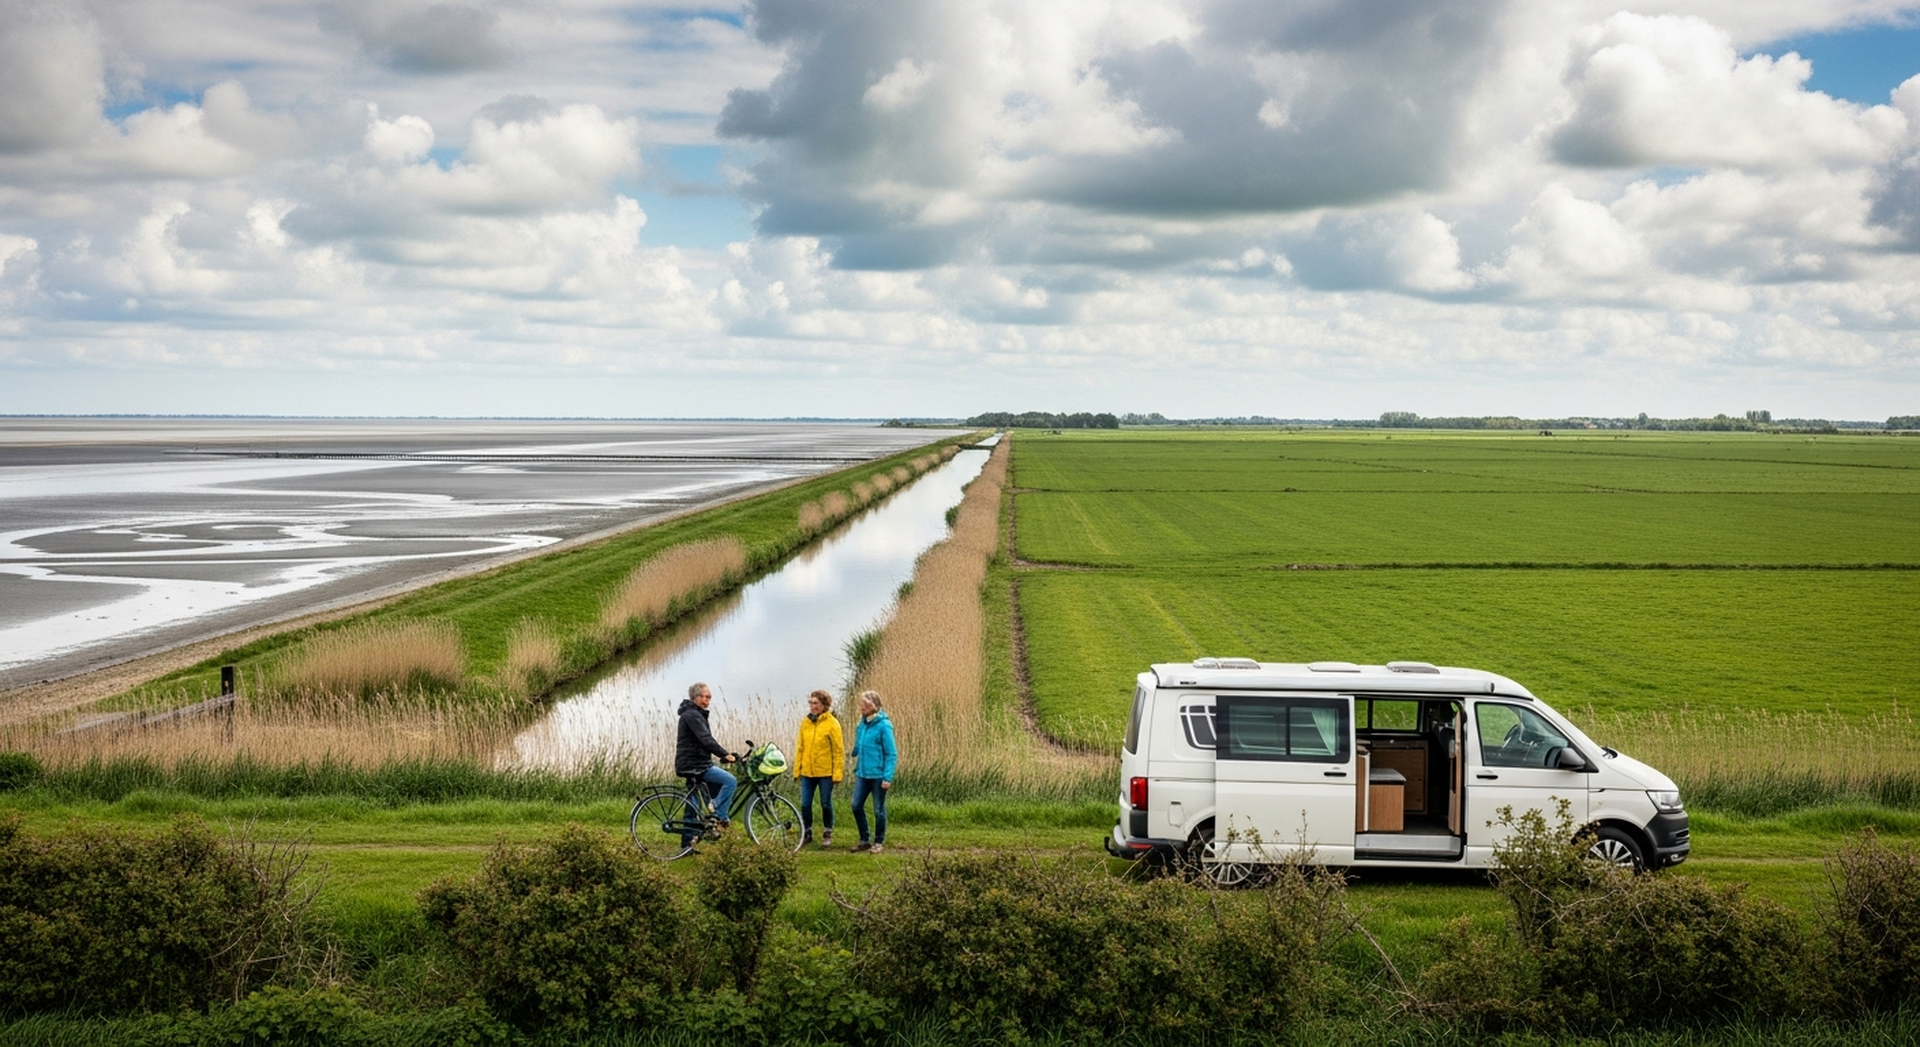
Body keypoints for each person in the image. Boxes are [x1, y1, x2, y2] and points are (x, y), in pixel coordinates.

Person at [675, 682, 736, 832]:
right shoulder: (692, 715)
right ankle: (719, 815)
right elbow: (706, 739)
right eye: (704, 697)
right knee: (730, 781)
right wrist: (725, 754)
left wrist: (721, 756)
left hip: (693, 763)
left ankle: (688, 844)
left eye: (709, 697)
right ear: (695, 697)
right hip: (695, 765)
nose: (707, 700)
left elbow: (702, 742)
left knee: (693, 806)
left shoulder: (694, 713)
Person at [793, 689, 844, 848]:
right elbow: (800, 747)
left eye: (815, 703)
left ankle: (827, 832)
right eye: (810, 703)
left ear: (824, 705)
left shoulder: (832, 723)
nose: (812, 706)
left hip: (825, 772)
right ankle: (806, 832)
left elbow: (838, 750)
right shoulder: (805, 723)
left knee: (825, 803)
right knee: (805, 804)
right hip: (808, 771)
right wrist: (797, 769)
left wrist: (837, 773)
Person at [849, 689, 896, 853]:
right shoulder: (862, 723)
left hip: (878, 775)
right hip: (862, 773)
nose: (861, 706)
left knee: (878, 809)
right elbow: (859, 743)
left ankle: (878, 841)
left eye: (865, 704)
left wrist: (887, 777)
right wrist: (853, 751)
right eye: (861, 703)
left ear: (874, 706)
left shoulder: (884, 725)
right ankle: (864, 839)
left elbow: (891, 753)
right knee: (856, 805)